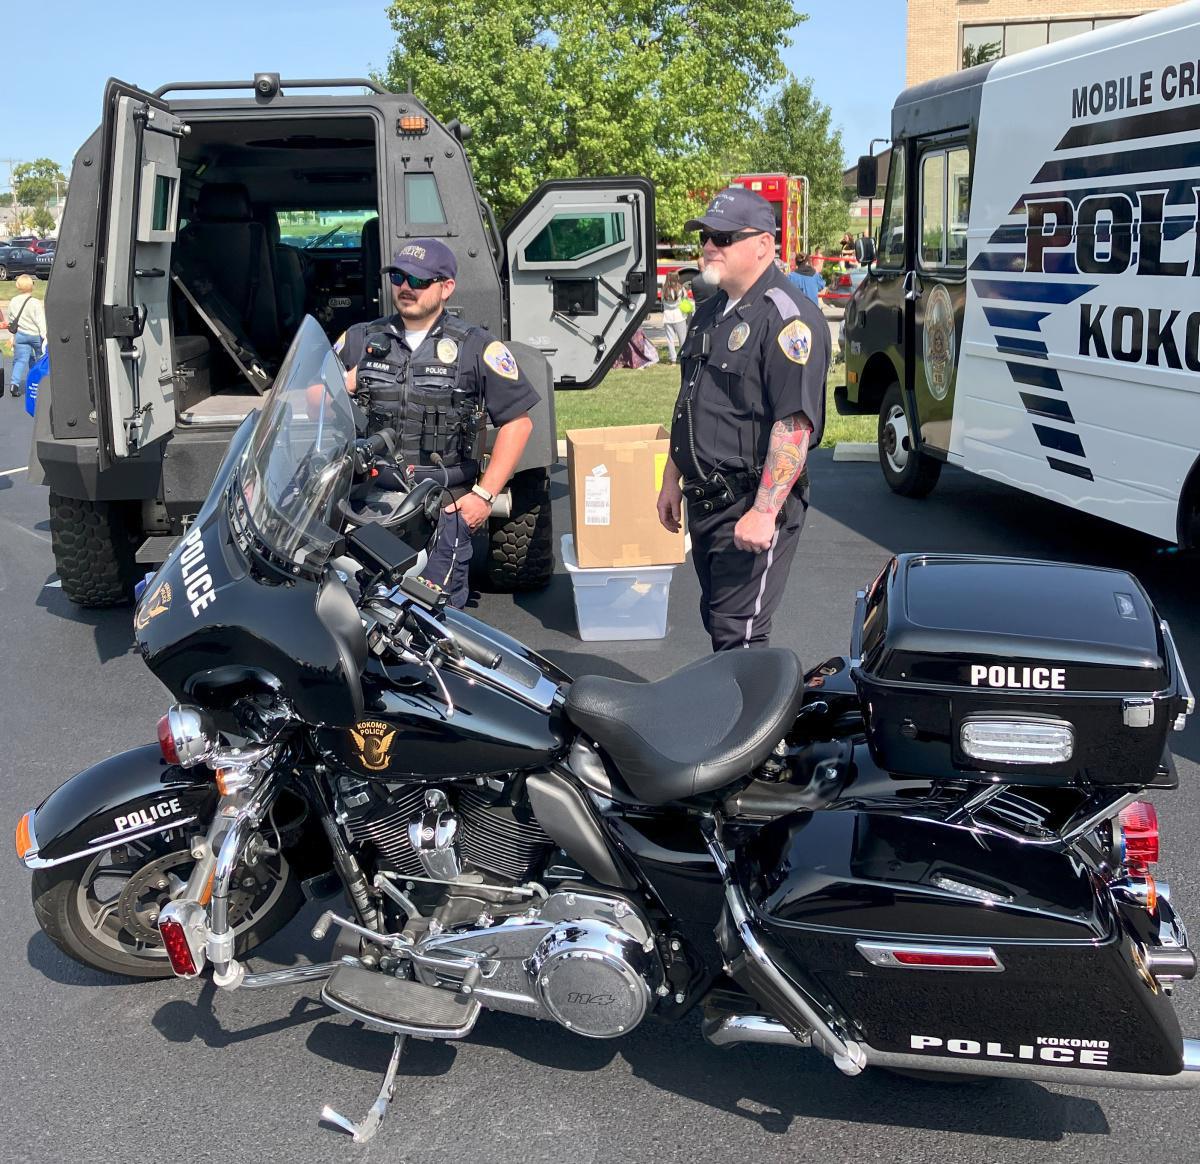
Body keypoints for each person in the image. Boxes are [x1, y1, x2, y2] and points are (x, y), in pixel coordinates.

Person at [656, 186, 829, 652]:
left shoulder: (789, 321)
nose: (711, 245)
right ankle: (731, 718)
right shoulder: (709, 312)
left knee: (740, 635)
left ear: (763, 245)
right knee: (718, 621)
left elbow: (794, 424)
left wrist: (765, 511)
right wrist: (673, 476)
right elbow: (689, 401)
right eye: (706, 235)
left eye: (724, 237)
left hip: (749, 501)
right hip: (705, 501)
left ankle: (755, 726)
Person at [335, 238, 539, 608]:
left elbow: (517, 423)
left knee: (433, 620)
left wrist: (484, 495)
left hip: (440, 507)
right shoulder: (358, 339)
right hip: (367, 504)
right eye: (398, 277)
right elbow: (307, 406)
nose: (406, 287)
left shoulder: (477, 346)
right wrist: (339, 385)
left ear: (446, 288)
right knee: (355, 613)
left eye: (419, 280)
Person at [8, 274, 47, 398]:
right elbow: (40, 321)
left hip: (21, 335)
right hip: (35, 335)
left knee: (19, 360)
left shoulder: (13, 301)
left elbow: (11, 318)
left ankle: (14, 384)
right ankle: (37, 382)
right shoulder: (35, 303)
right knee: (38, 359)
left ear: (18, 286)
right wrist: (45, 335)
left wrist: (13, 335)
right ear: (32, 286)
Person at [660, 271, 688, 363]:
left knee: (670, 339)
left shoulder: (664, 290)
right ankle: (683, 357)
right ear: (677, 278)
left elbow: (662, 302)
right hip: (679, 316)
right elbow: (685, 300)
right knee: (682, 339)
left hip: (667, 317)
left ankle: (673, 359)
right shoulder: (681, 289)